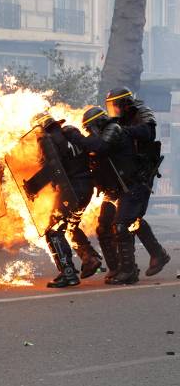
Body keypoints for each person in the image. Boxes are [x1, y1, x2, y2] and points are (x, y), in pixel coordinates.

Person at [64, 106, 145, 285]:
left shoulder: (113, 129)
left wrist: (75, 136)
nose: (89, 132)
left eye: (90, 127)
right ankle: (116, 268)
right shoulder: (99, 136)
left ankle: (129, 271)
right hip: (113, 191)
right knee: (103, 229)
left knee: (121, 226)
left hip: (128, 187)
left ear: (99, 122)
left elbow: (100, 147)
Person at [105, 88, 170, 276]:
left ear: (126, 104)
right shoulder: (117, 121)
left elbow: (147, 132)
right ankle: (158, 254)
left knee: (124, 221)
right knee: (130, 218)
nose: (114, 109)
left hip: (141, 175)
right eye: (111, 106)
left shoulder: (143, 112)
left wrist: (124, 131)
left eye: (116, 105)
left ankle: (130, 268)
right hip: (125, 176)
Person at [32, 112, 99, 288]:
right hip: (86, 187)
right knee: (70, 225)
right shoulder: (71, 134)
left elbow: (52, 168)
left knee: (53, 230)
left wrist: (32, 188)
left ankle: (68, 273)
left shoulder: (48, 141)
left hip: (71, 190)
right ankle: (90, 258)